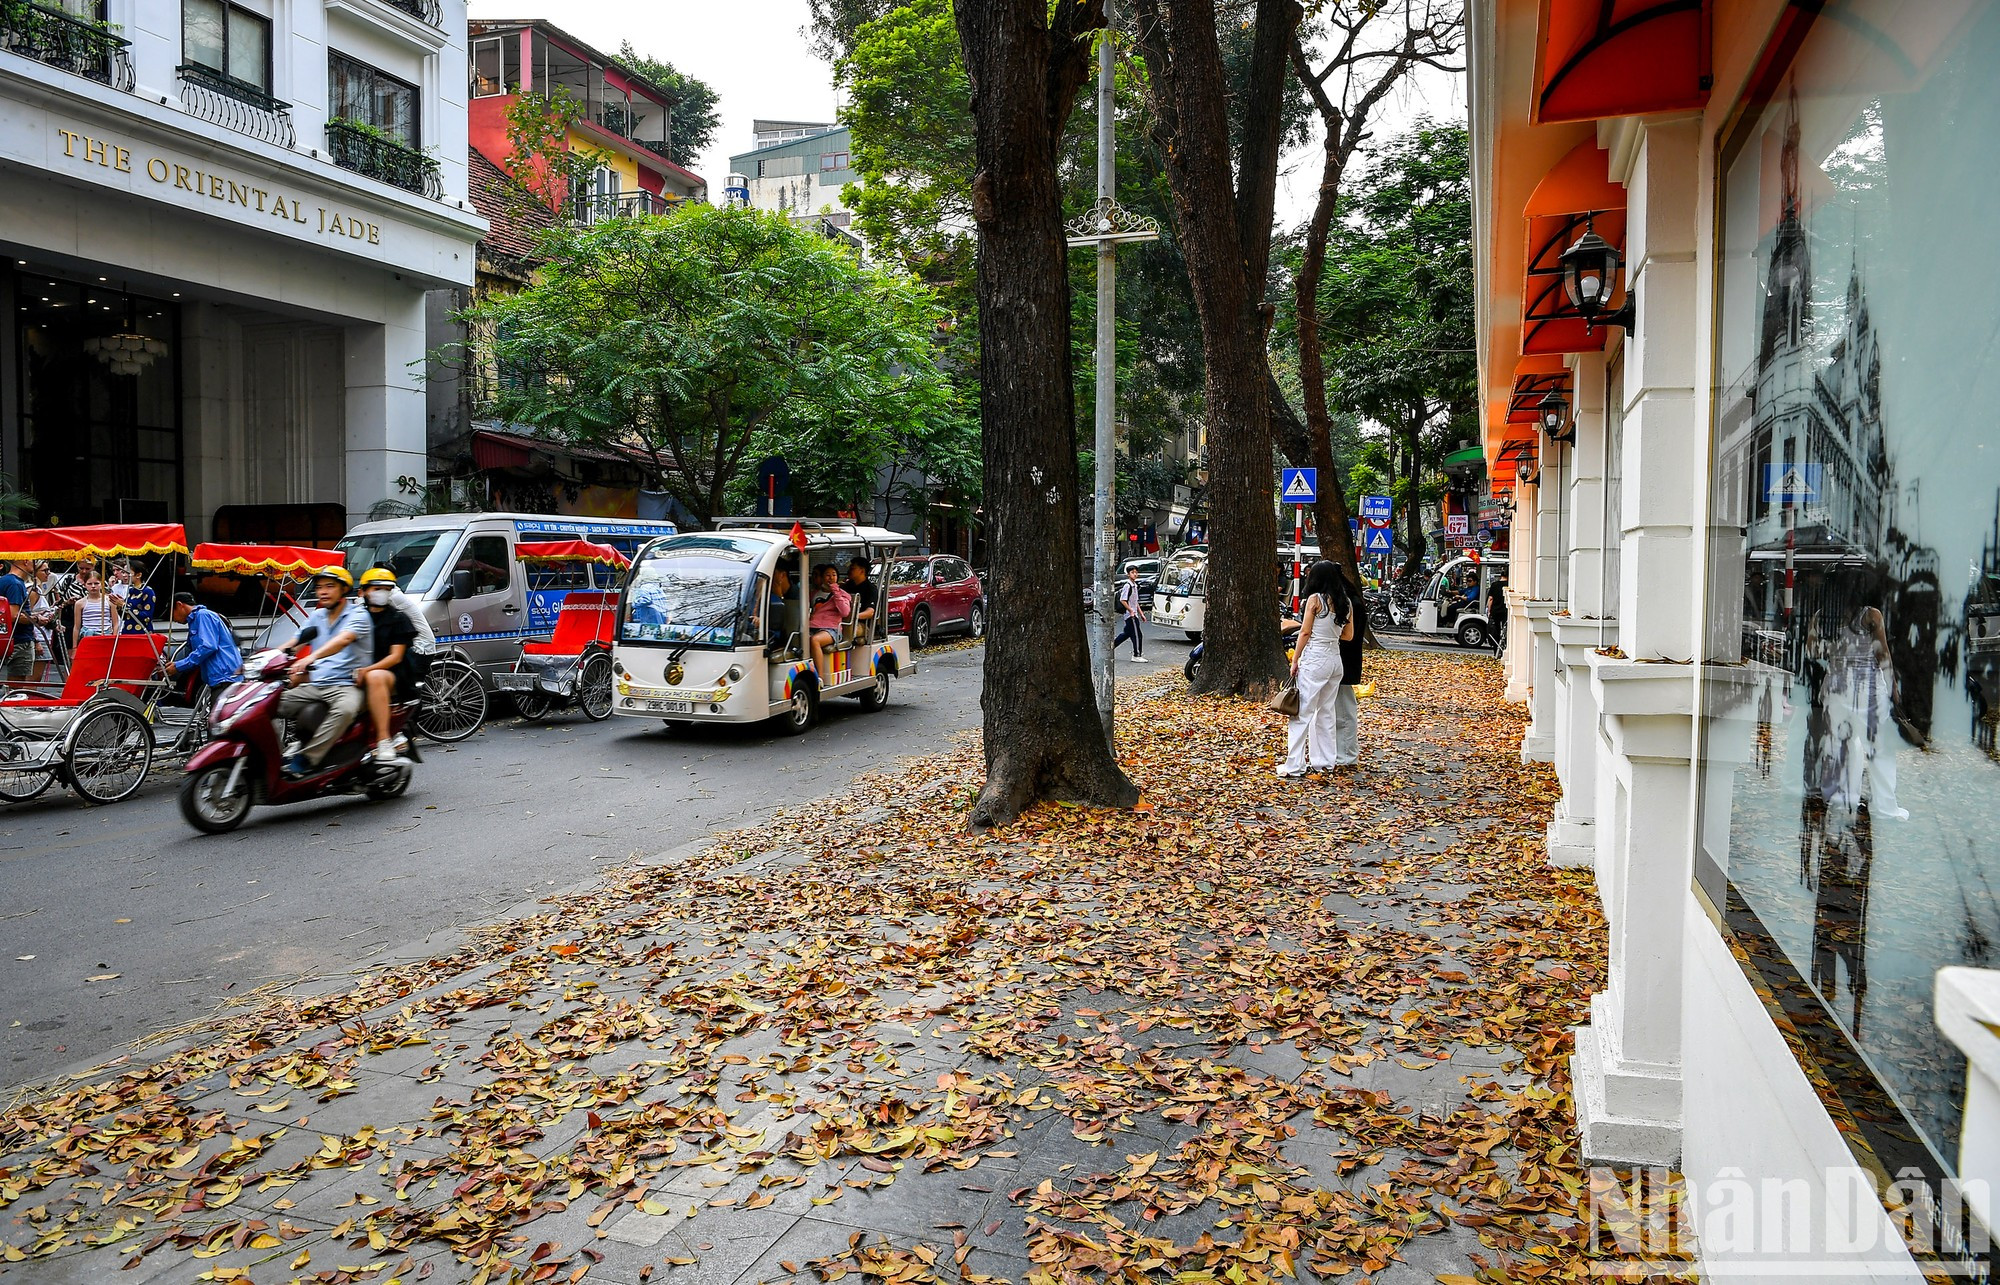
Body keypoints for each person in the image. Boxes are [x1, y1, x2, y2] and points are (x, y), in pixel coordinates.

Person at [278, 567, 372, 775]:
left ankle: (308, 759)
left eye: (330, 587)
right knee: (269, 703)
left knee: (346, 710)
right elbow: (295, 642)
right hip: (317, 683)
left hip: (347, 685)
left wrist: (312, 657)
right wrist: (267, 659)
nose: (323, 592)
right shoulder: (318, 616)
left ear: (344, 590)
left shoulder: (358, 615)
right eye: (319, 587)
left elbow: (343, 640)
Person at [1277, 560, 1354, 779]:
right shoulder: (1345, 602)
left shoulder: (1314, 600)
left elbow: (1304, 633)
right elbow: (1348, 636)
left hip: (1315, 659)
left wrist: (1295, 660)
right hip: (1334, 660)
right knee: (1326, 712)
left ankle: (1294, 765)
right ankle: (1324, 763)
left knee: (1302, 713)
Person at [354, 568, 417, 765]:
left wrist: (367, 670)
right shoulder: (354, 617)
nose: (381, 592)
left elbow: (395, 657)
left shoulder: (398, 619)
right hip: (356, 672)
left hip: (392, 675)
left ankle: (383, 739)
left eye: (385, 589)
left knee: (376, 677)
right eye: (376, 588)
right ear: (362, 592)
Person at [164, 592, 242, 702]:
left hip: (225, 678)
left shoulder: (203, 615)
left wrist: (179, 666)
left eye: (172, 613)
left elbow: (208, 647)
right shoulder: (195, 621)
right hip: (217, 679)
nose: (173, 619)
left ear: (179, 605)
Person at [1331, 571, 1364, 768]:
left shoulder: (1349, 604)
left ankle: (1346, 755)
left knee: (1343, 712)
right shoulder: (1352, 601)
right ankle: (1344, 753)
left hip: (1344, 663)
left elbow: (1347, 637)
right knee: (1343, 710)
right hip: (1347, 663)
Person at [807, 564, 851, 681]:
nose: (831, 578)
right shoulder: (814, 594)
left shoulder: (842, 594)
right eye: (827, 575)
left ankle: (819, 677)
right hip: (813, 627)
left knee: (815, 640)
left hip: (832, 630)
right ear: (822, 578)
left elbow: (845, 612)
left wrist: (836, 592)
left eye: (834, 575)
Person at [0, 560, 32, 687]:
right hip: (18, 640)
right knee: (16, 685)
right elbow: (13, 615)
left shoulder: (5, 580)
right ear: (25, 561)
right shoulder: (15, 583)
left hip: (8, 638)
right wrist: (35, 619)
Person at [68, 570, 121, 640]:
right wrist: (74, 647)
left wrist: (114, 639)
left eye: (96, 583)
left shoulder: (109, 600)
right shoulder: (79, 603)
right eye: (89, 584)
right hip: (87, 635)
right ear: (84, 585)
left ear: (101, 584)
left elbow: (116, 624)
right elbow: (77, 627)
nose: (93, 586)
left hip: (106, 635)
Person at [111, 559, 157, 633]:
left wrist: (123, 605)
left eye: (127, 573)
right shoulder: (130, 590)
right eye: (123, 572)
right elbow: (124, 615)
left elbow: (146, 617)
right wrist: (118, 605)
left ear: (138, 575)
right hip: (127, 631)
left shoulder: (148, 591)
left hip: (142, 632)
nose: (124, 575)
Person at [1114, 564, 1148, 662]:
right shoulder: (1127, 586)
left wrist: (1141, 614)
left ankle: (1111, 647)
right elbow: (1123, 600)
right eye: (1132, 572)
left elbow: (1135, 602)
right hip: (1130, 615)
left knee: (1126, 634)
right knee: (1137, 635)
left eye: (1136, 572)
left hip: (1134, 614)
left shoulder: (1135, 586)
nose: (1135, 574)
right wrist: (1130, 611)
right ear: (1128, 574)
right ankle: (1136, 655)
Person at [846, 556, 878, 632]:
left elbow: (870, 612)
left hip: (862, 625)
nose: (849, 571)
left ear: (862, 571)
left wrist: (853, 617)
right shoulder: (847, 586)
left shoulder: (870, 589)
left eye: (852, 568)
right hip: (844, 622)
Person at [1485, 577, 1508, 655]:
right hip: (1505, 611)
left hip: (1495, 611)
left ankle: (1496, 649)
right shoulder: (1509, 584)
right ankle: (1505, 648)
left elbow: (1491, 599)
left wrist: (1489, 610)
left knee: (1496, 630)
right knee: (1506, 630)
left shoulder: (1494, 585)